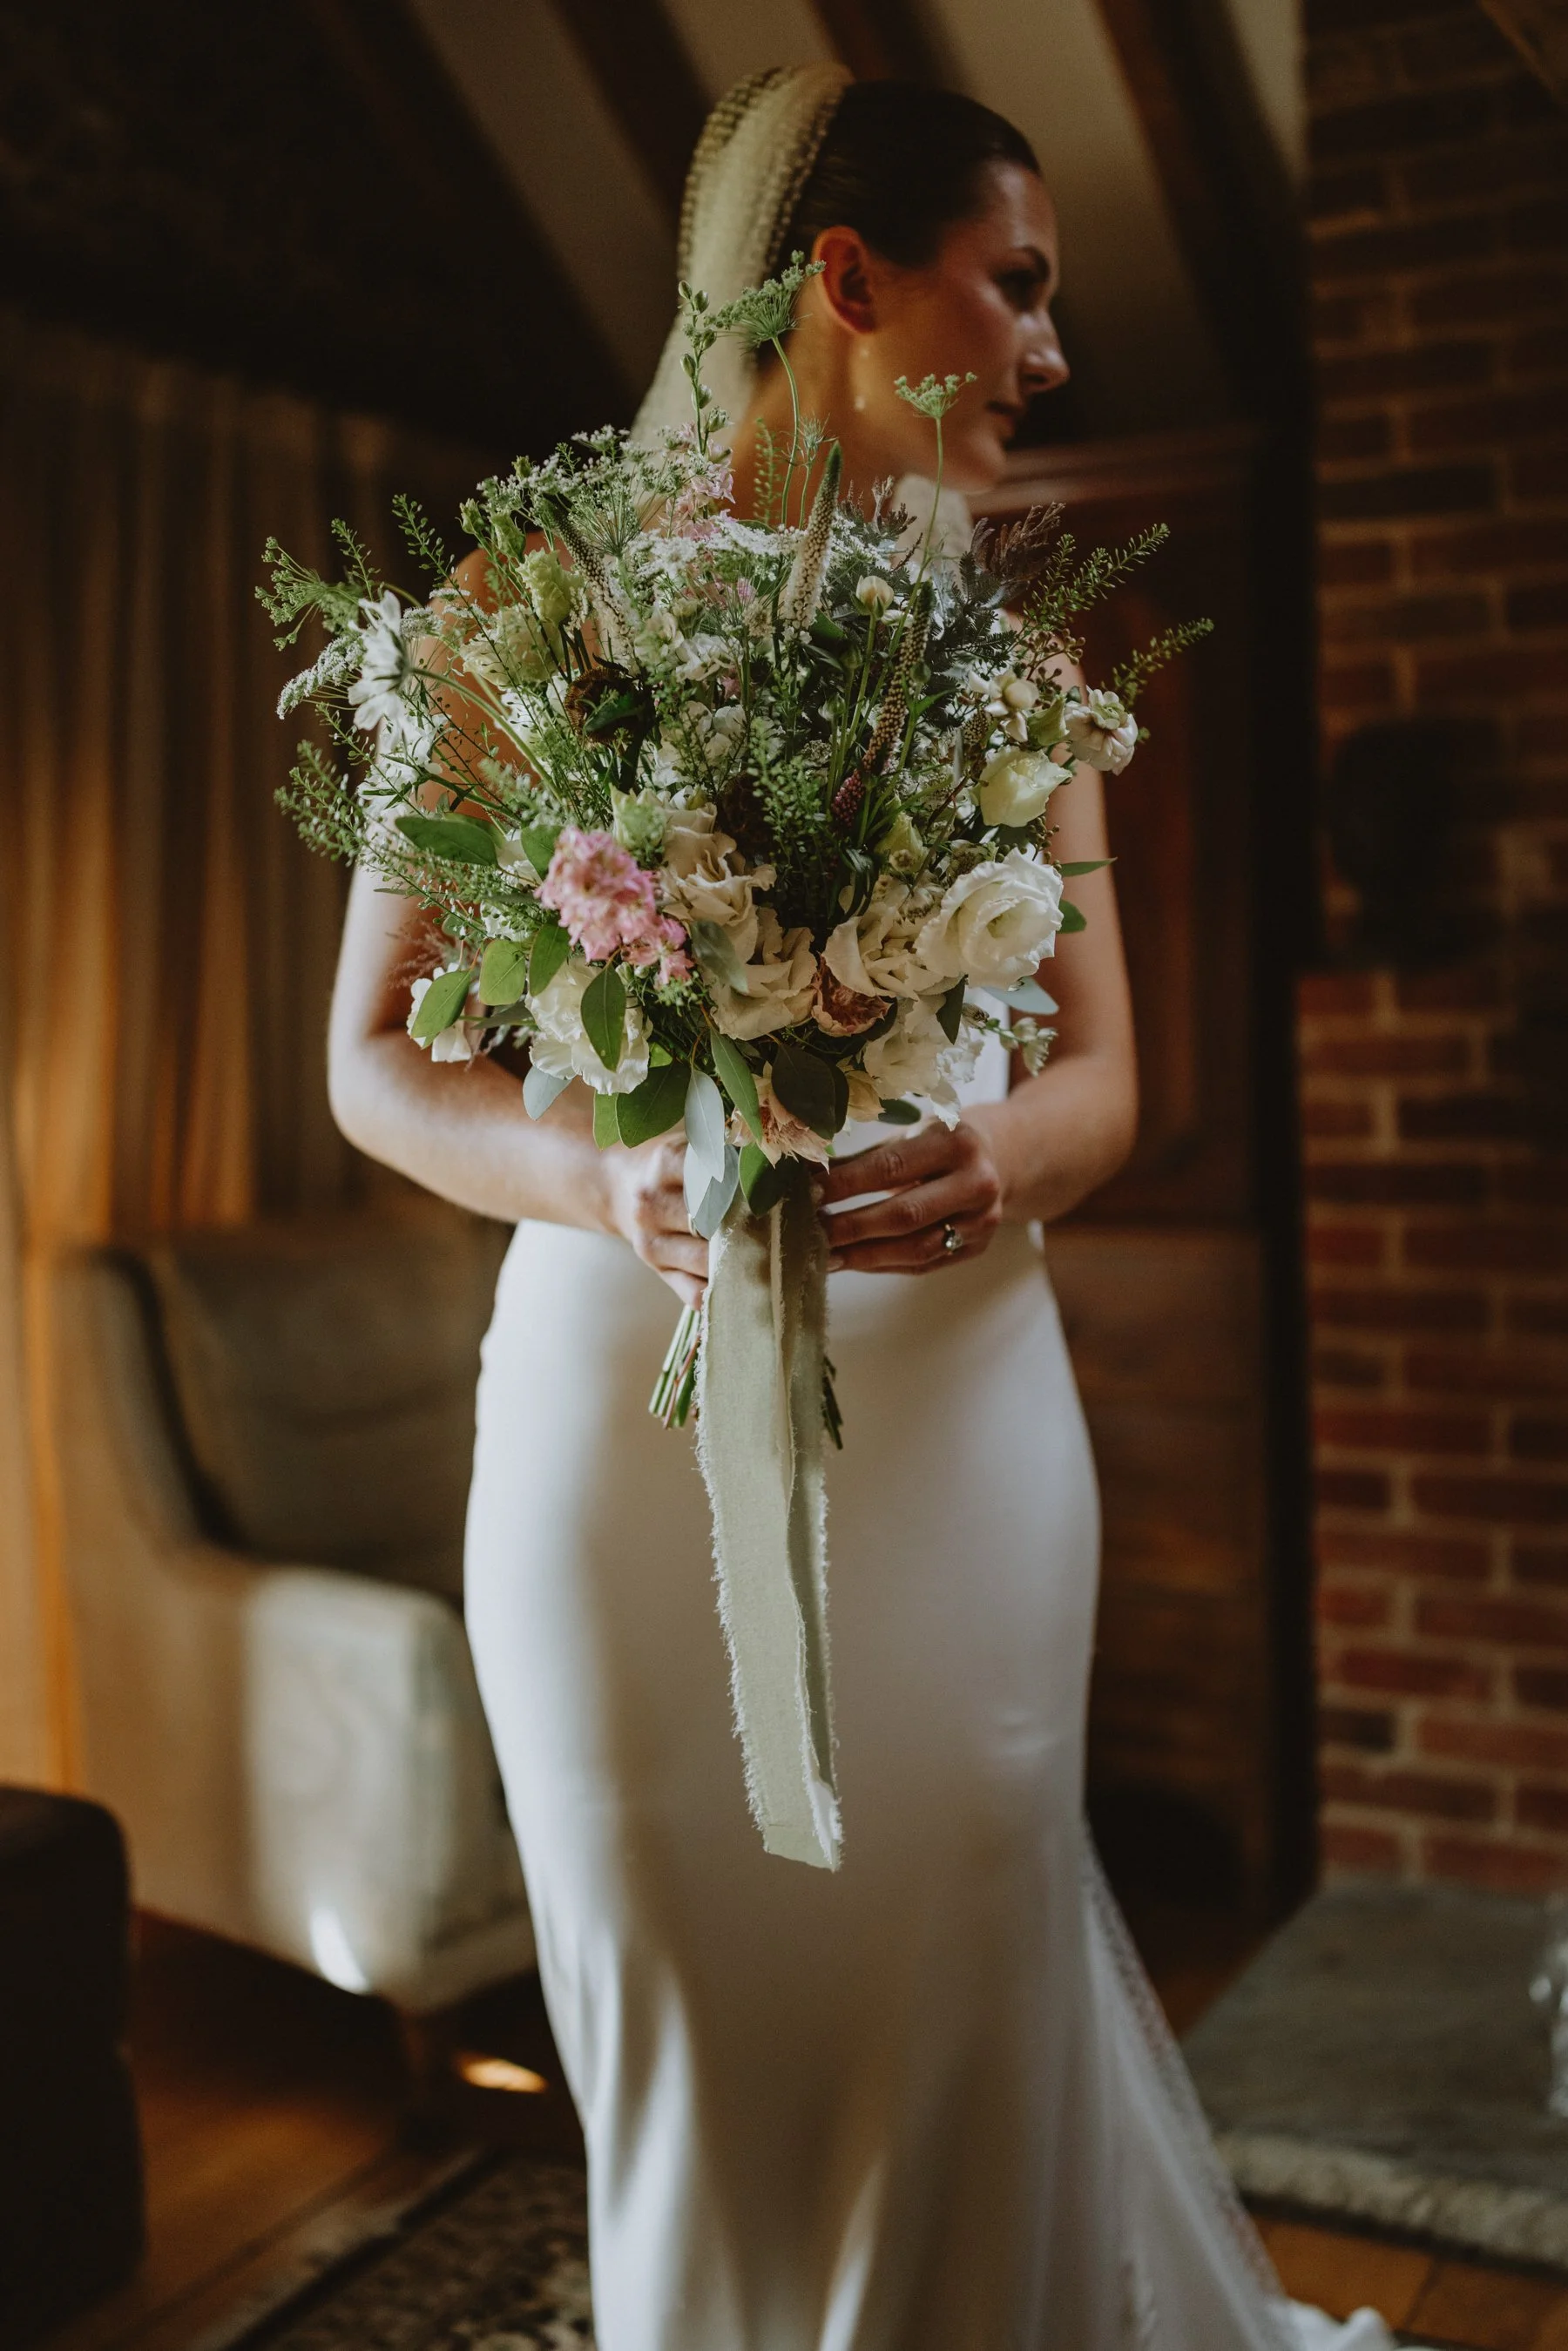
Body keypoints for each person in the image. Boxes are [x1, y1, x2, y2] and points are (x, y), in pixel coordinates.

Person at [328, 65, 1410, 2351]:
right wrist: (593, 1174)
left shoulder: (1011, 657)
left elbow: (1119, 1083)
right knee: (688, 2020)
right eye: (1014, 286)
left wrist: (1002, 1153)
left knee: (953, 1976)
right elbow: (376, 1055)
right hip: (623, 1434)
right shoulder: (534, 612)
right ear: (844, 280)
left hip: (961, 1438)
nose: (1050, 350)